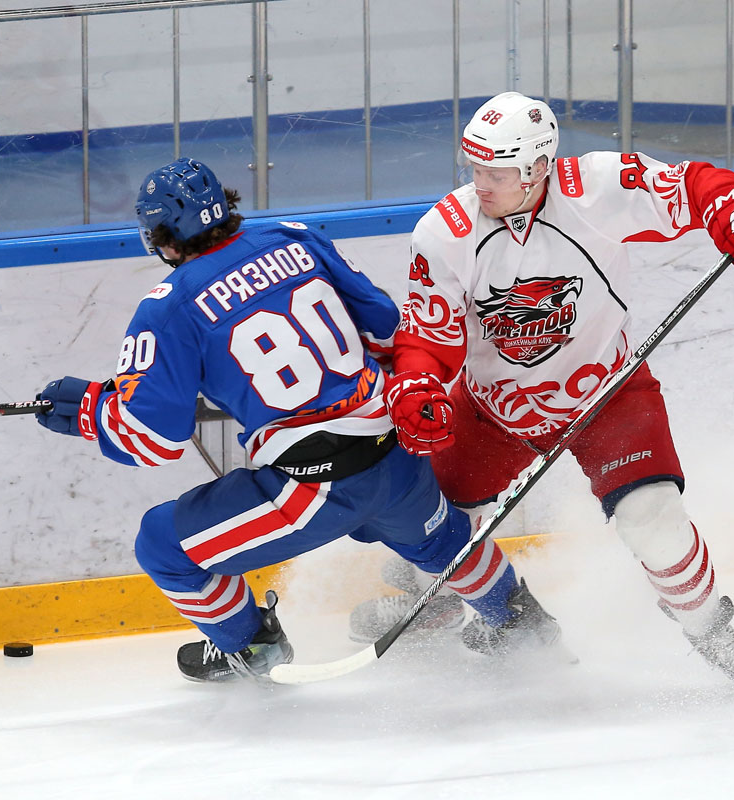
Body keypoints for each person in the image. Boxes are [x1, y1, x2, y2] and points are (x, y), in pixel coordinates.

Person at [34, 157, 555, 683]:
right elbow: (385, 331)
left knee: (162, 544)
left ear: (163, 239)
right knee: (439, 539)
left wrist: (91, 409)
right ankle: (522, 624)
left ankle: (252, 646)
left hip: (311, 492)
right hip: (397, 460)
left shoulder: (167, 308)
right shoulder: (295, 238)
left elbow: (150, 440)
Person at [368, 90, 734, 689]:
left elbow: (694, 184)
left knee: (653, 519)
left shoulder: (597, 187)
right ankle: (432, 601)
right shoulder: (444, 232)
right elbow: (429, 338)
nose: (480, 183)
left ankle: (713, 633)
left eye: (497, 172)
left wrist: (729, 204)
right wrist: (416, 386)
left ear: (537, 166)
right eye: (474, 168)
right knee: (434, 518)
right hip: (495, 410)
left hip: (608, 396)